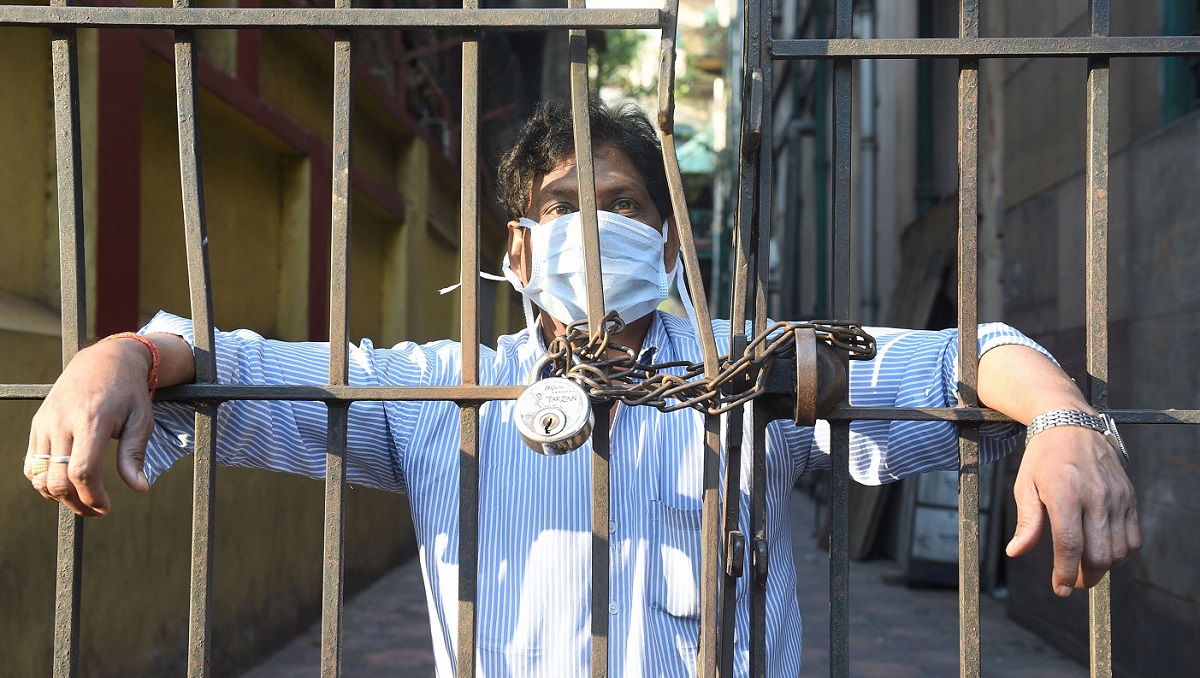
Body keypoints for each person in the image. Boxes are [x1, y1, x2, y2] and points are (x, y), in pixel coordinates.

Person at [25, 99, 1139, 677]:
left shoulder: (757, 368)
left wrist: (1061, 417)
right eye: (563, 208)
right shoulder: (446, 391)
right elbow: (239, 369)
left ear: (670, 239)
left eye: (623, 205)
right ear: (518, 250)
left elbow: (957, 358)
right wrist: (123, 355)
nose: (594, 232)